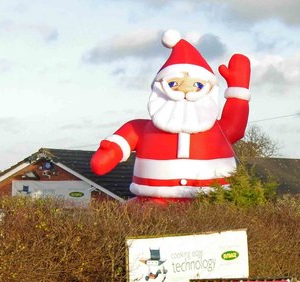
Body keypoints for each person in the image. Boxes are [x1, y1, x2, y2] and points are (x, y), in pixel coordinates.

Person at [91, 29, 250, 203]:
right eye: (173, 84)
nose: (185, 91)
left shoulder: (218, 129)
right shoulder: (141, 128)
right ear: (160, 88)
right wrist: (110, 151)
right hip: (153, 201)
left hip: (211, 201)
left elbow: (236, 125)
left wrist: (238, 89)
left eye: (196, 85)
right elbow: (116, 147)